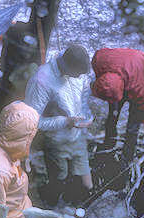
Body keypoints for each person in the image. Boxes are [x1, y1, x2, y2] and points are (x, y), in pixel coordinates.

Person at [25, 44, 94, 206]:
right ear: (68, 65)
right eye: (77, 73)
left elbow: (82, 97)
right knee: (58, 181)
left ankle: (71, 202)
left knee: (86, 186)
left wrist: (85, 115)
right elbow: (32, 121)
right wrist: (65, 122)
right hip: (55, 139)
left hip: (76, 136)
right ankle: (49, 205)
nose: (79, 77)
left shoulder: (76, 74)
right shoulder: (42, 81)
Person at [91, 48, 144, 177]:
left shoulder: (137, 87)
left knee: (134, 122)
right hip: (118, 71)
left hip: (142, 66)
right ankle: (108, 145)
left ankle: (126, 158)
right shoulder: (98, 60)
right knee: (113, 113)